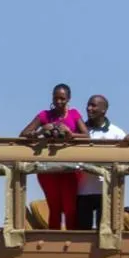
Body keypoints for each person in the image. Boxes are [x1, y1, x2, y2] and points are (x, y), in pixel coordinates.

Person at [20, 84, 87, 229]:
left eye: (62, 98)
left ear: (68, 99)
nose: (58, 102)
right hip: (48, 169)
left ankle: (72, 239)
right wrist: (41, 131)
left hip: (70, 169)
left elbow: (86, 136)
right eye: (56, 98)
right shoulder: (44, 115)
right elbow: (23, 134)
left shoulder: (74, 114)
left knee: (70, 208)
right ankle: (54, 239)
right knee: (54, 207)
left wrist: (70, 134)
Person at [76, 94, 129, 230]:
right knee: (82, 233)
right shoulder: (80, 130)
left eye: (93, 105)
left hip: (106, 191)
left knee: (105, 231)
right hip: (82, 191)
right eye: (88, 105)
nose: (89, 108)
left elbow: (128, 151)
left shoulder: (115, 132)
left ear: (104, 110)